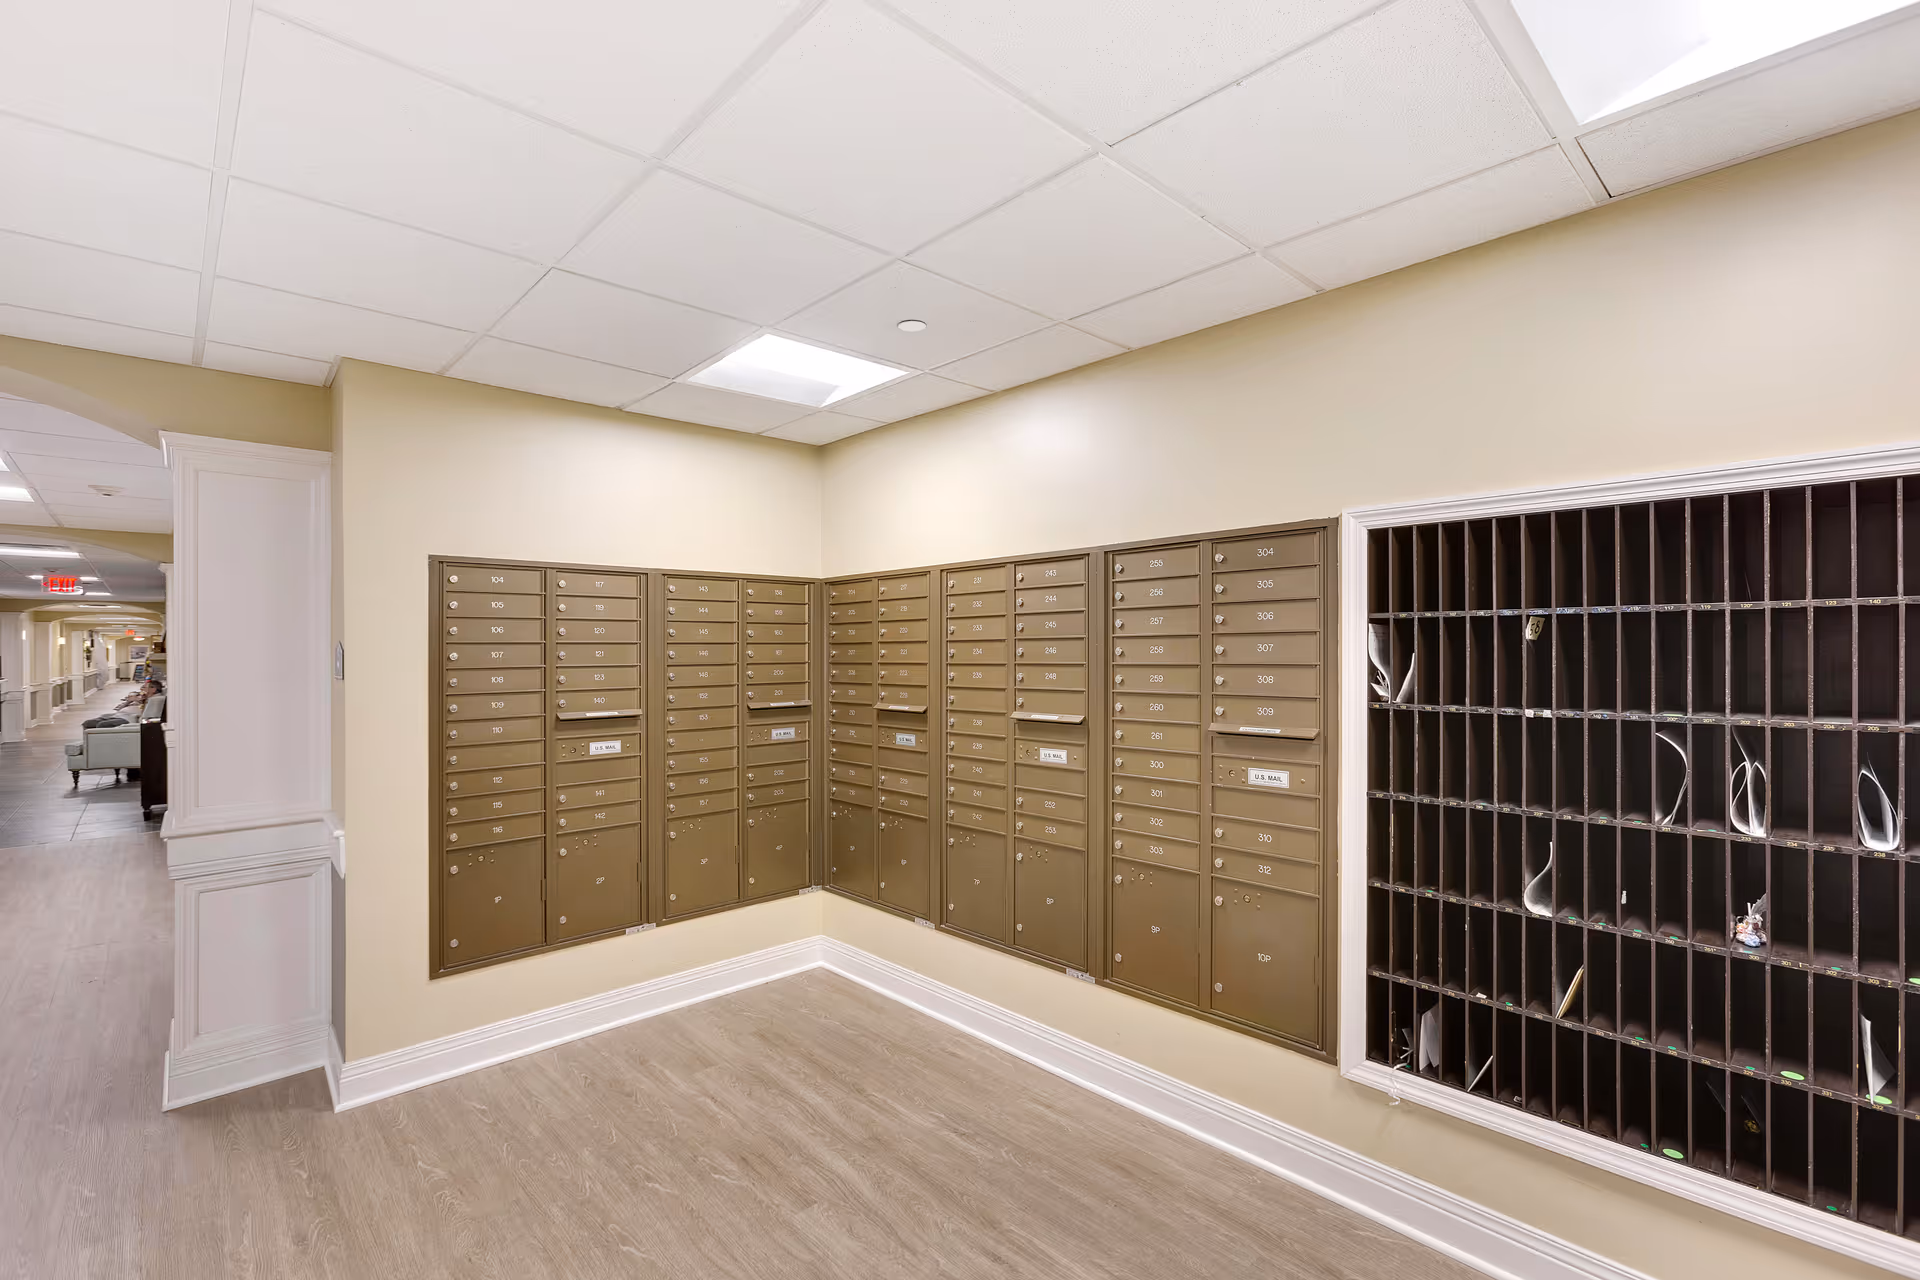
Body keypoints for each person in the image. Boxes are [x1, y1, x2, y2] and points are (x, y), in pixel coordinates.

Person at [82, 678, 162, 729]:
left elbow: (145, 714)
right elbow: (119, 708)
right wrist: (130, 701)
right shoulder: (144, 698)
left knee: (102, 725)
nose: (142, 689)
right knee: (88, 723)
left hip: (128, 718)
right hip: (119, 714)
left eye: (145, 687)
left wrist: (140, 700)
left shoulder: (154, 700)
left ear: (153, 690)